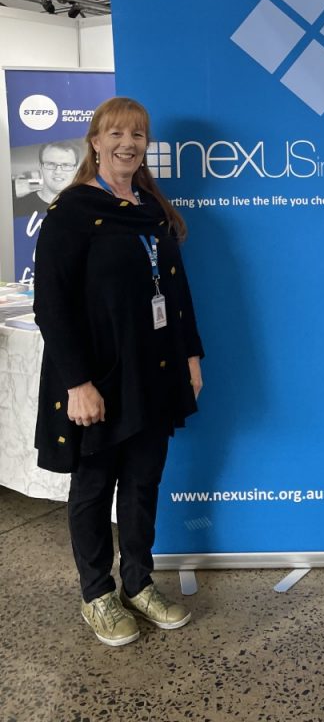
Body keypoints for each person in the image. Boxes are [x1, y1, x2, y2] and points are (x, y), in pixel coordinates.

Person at [34, 97, 204, 647]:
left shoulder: (152, 207)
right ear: (96, 141)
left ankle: (137, 583)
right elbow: (51, 306)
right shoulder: (73, 211)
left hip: (153, 371)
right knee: (92, 486)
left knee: (142, 482)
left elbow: (175, 292)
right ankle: (97, 595)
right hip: (98, 377)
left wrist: (190, 358)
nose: (128, 143)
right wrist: (76, 384)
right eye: (116, 133)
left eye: (137, 134)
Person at [13, 140, 80, 217]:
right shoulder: (17, 208)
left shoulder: (87, 206)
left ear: (76, 168)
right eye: (51, 164)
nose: (58, 171)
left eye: (66, 165)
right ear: (40, 167)